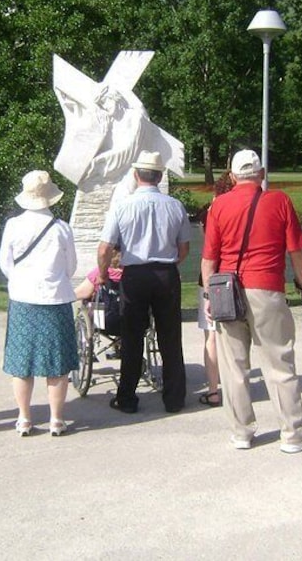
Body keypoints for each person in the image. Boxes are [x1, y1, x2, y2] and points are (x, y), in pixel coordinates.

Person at [201, 149, 302, 453]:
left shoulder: (218, 206)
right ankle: (293, 435)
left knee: (234, 366)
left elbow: (209, 258)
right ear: (262, 173)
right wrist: (301, 281)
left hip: (226, 290)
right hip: (266, 287)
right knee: (278, 362)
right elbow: (295, 250)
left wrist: (208, 294)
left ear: (231, 176)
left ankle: (242, 432)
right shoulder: (279, 200)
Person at [97, 150, 191, 414]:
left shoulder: (122, 207)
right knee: (170, 337)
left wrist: (103, 274)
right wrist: (170, 263)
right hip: (165, 273)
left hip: (135, 275)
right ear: (160, 176)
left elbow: (105, 248)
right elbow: (184, 248)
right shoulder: (175, 206)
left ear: (136, 175)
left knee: (132, 337)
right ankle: (174, 398)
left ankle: (127, 397)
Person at [0, 170, 78, 436]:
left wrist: (21, 280)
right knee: (57, 363)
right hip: (56, 299)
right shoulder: (62, 228)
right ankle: (56, 418)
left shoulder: (12, 225)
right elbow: (71, 267)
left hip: (23, 299)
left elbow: (5, 264)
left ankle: (24, 418)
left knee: (22, 362)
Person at [196, 170, 235, 407]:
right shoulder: (237, 211)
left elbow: (208, 246)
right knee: (235, 335)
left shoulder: (208, 214)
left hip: (210, 276)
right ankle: (235, 386)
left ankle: (213, 390)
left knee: (211, 336)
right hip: (233, 275)